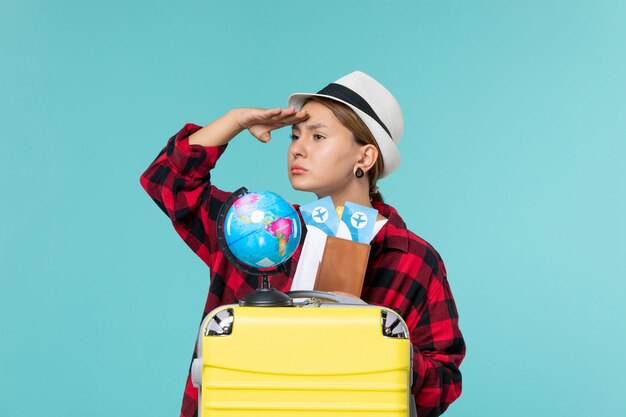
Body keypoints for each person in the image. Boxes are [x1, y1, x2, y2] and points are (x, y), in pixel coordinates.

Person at [140, 71, 465, 417]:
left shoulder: (411, 259)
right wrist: (234, 120)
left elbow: (442, 386)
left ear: (365, 158)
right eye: (295, 136)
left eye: (318, 136)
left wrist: (373, 337)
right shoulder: (259, 227)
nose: (297, 148)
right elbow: (169, 182)